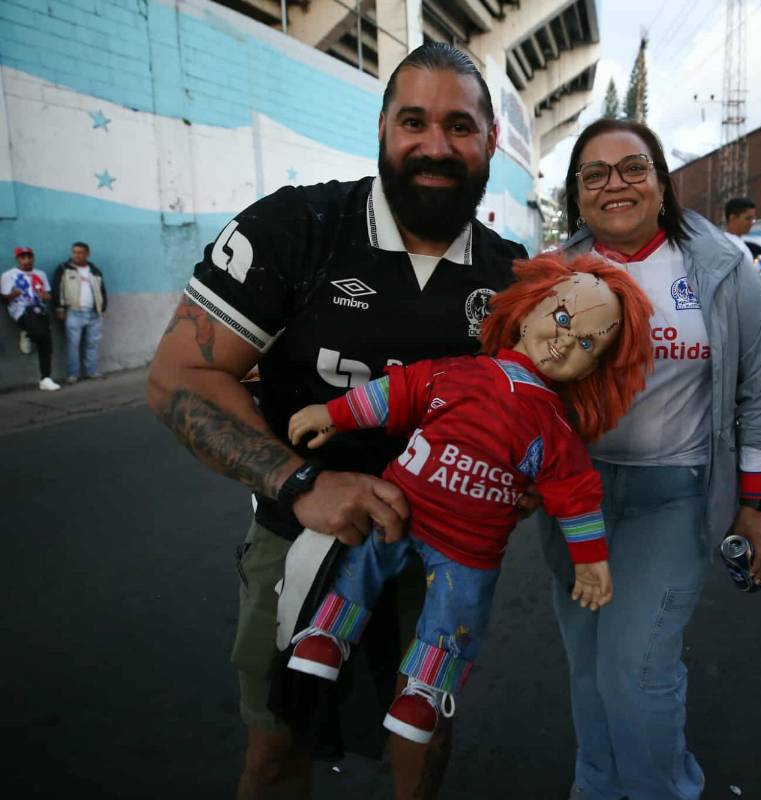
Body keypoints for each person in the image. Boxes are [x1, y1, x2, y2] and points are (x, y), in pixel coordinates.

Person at [146, 42, 527, 799]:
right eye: (413, 120)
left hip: (439, 562)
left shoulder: (514, 275)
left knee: (424, 734)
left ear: (490, 141)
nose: (435, 144)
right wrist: (302, 481)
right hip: (300, 543)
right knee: (274, 748)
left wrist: (528, 477)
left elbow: (531, 412)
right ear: (383, 129)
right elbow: (177, 375)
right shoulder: (300, 226)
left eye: (460, 125)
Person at [283, 254, 652, 749]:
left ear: (596, 367)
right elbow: (396, 394)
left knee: (457, 612)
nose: (566, 340)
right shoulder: (456, 372)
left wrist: (591, 558)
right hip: (399, 507)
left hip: (470, 547)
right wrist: (333, 414)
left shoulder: (555, 430)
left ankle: (426, 688)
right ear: (526, 311)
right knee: (361, 563)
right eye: (563, 319)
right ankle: (328, 634)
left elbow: (576, 494)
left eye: (588, 343)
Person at [545, 118, 761, 800]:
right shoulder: (556, 274)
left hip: (674, 495)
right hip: (576, 502)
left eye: (633, 167)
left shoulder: (721, 266)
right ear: (577, 193)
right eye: (594, 173)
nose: (614, 184)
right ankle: (596, 784)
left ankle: (661, 789)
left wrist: (755, 503)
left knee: (636, 664)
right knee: (588, 661)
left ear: (660, 181)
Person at [1, 246, 59, 391]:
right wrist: (13, 295)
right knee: (40, 333)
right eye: (23, 257)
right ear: (17, 259)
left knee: (46, 342)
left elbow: (47, 296)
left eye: (29, 257)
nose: (27, 260)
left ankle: (45, 378)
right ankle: (27, 333)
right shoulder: (9, 275)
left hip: (40, 311)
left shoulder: (40, 274)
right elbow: (3, 299)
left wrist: (46, 297)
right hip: (21, 311)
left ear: (33, 258)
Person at [51, 241, 107, 383]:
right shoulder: (64, 268)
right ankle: (73, 375)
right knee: (73, 344)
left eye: (80, 252)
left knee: (92, 344)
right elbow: (57, 289)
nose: (77, 255)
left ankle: (91, 372)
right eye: (74, 252)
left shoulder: (94, 270)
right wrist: (59, 308)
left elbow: (102, 289)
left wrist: (103, 306)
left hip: (94, 313)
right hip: (74, 312)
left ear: (87, 254)